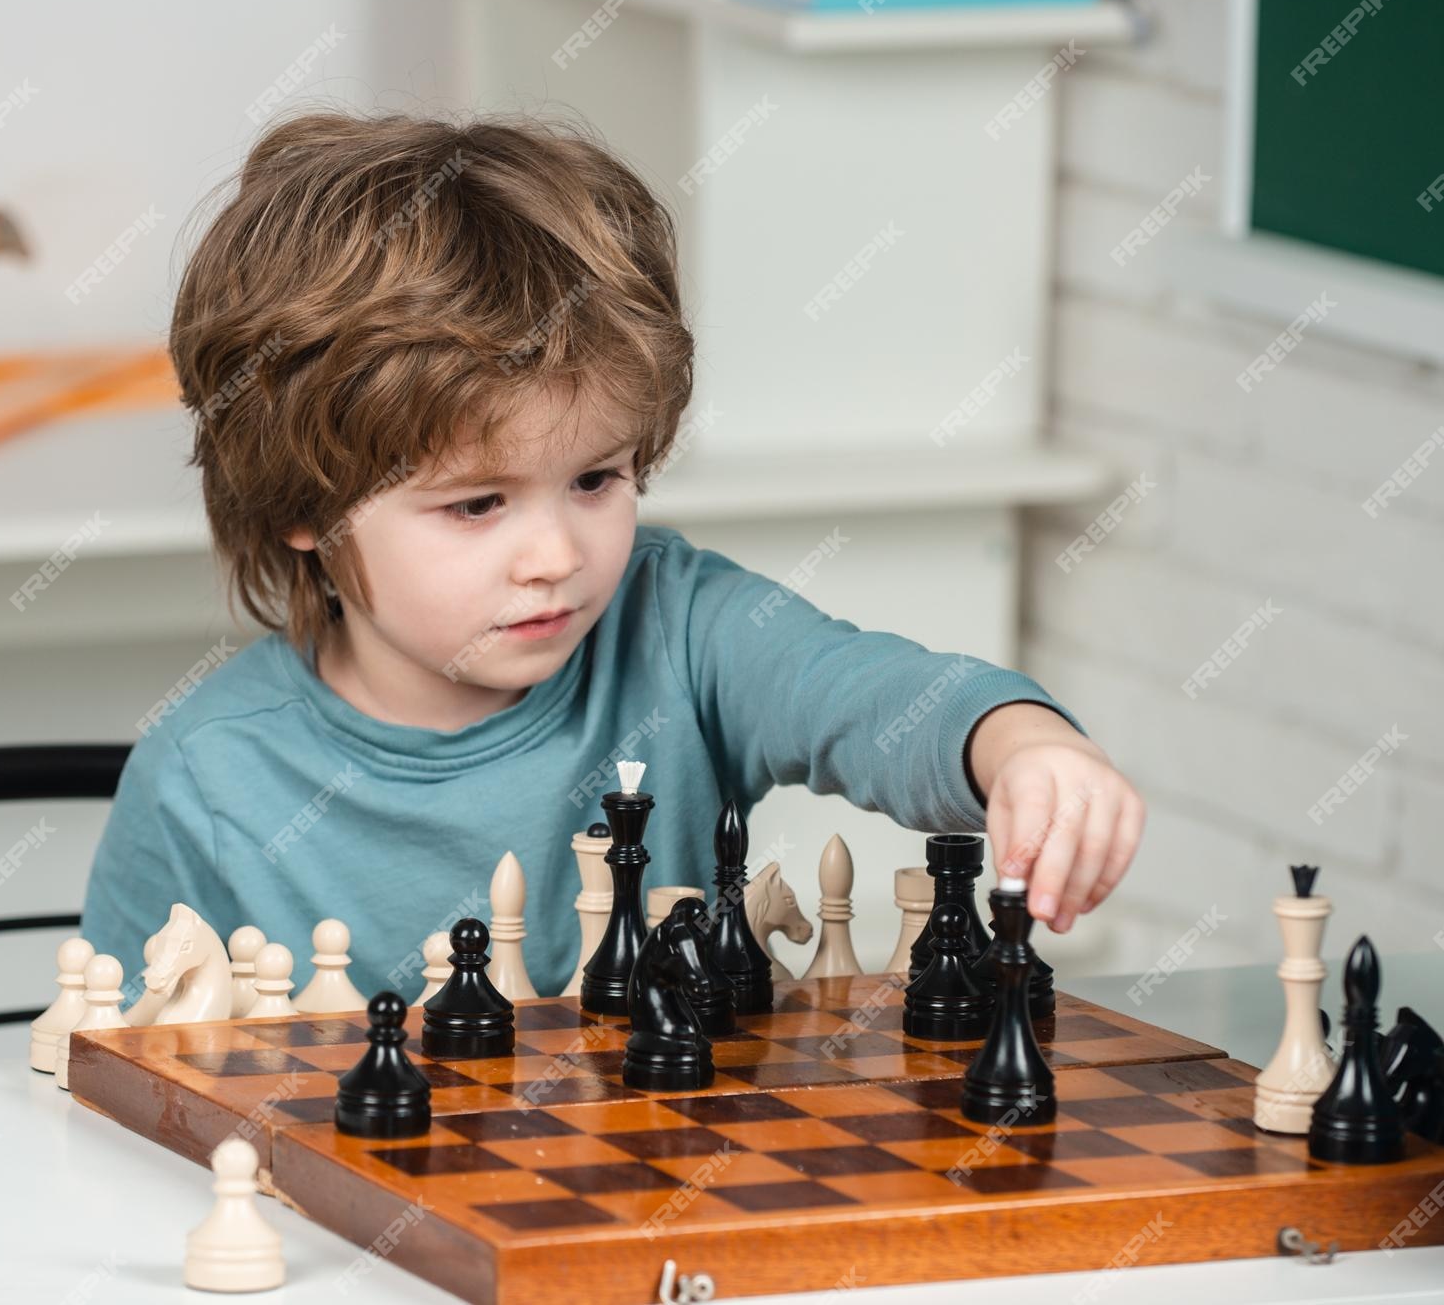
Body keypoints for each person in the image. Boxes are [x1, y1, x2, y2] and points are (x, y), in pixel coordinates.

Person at [81, 110, 1143, 997]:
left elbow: (875, 699)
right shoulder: (206, 776)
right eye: (476, 505)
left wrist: (1023, 746)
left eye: (596, 480)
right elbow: (120, 1080)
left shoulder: (678, 630)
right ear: (302, 506)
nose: (555, 555)